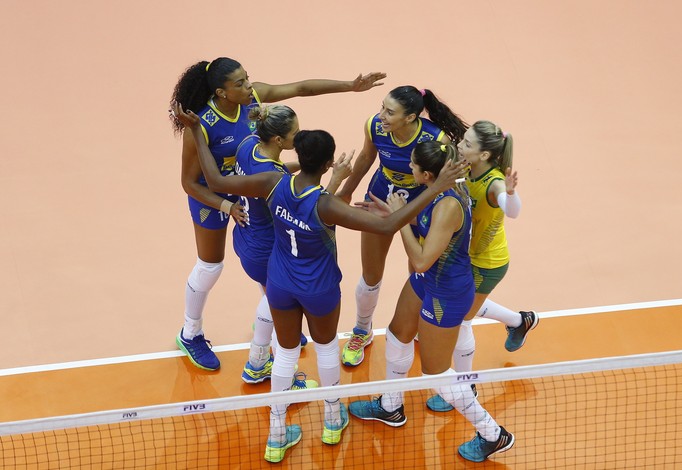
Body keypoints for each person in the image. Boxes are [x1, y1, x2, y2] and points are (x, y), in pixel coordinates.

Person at [172, 103, 468, 463]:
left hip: (280, 282)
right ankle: (331, 418)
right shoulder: (328, 205)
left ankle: (277, 434)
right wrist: (436, 186)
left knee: (285, 354)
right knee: (326, 349)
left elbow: (216, 181)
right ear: (329, 164)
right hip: (319, 288)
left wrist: (197, 132)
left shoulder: (272, 182)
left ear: (297, 154)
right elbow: (387, 225)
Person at [169, 57, 386, 371]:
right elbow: (189, 182)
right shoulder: (201, 124)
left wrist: (350, 86)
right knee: (211, 265)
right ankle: (191, 332)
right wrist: (226, 205)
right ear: (221, 92)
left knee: (275, 263)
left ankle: (279, 315)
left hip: (252, 186)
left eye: (247, 78)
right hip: (213, 195)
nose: (248, 86)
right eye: (239, 83)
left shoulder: (253, 101)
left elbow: (301, 88)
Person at [348, 141, 515, 463]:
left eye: (412, 166)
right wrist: (393, 215)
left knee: (434, 373)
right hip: (429, 282)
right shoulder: (432, 191)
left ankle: (493, 433)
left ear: (426, 174)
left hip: (446, 292)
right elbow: (420, 228)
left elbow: (422, 260)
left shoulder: (448, 205)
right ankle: (390, 406)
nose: (407, 169)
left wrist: (397, 220)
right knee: (397, 335)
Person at [335, 85, 469, 366]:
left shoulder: (435, 139)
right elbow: (365, 158)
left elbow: (451, 178)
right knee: (370, 275)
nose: (381, 115)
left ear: (410, 118)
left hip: (422, 205)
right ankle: (362, 329)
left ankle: (419, 325)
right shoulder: (374, 126)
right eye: (382, 107)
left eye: (390, 112)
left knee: (419, 271)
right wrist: (347, 191)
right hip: (379, 197)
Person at [425, 120, 538, 413]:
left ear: (484, 155)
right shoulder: (466, 170)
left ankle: (466, 385)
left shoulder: (494, 182)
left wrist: (511, 193)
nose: (460, 145)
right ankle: (519, 320)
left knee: (463, 318)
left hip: (488, 263)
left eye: (467, 144)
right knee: (468, 305)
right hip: (467, 256)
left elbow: (512, 212)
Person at [235, 104, 351, 385]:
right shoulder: (279, 181)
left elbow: (271, 173)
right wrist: (335, 179)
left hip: (245, 238)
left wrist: (224, 204)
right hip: (269, 249)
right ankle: (258, 362)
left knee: (273, 299)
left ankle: (258, 362)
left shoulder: (248, 145)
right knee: (273, 302)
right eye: (295, 133)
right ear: (278, 140)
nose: (298, 137)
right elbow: (312, 208)